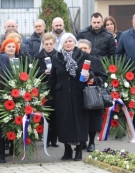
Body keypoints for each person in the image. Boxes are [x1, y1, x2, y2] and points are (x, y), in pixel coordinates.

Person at [47, 33, 89, 161]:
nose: (68, 43)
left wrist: (90, 76)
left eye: (71, 41)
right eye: (66, 41)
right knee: (64, 122)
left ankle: (79, 151)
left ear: (75, 42)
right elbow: (53, 78)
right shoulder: (56, 57)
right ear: (62, 44)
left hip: (79, 93)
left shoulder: (83, 56)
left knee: (79, 122)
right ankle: (67, 150)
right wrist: (45, 93)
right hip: (62, 95)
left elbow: (94, 71)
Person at [77, 39, 107, 152]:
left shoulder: (95, 61)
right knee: (81, 118)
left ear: (90, 49)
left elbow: (103, 77)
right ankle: (82, 141)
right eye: (81, 48)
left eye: (85, 48)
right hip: (78, 93)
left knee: (93, 119)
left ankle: (92, 142)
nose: (83, 50)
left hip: (93, 94)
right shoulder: (74, 61)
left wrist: (93, 77)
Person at [34, 32, 58, 147]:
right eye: (46, 44)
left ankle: (54, 139)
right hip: (43, 89)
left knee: (55, 115)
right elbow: (33, 73)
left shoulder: (58, 56)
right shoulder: (38, 57)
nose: (49, 46)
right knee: (45, 115)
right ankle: (46, 139)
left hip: (55, 89)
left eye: (51, 44)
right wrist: (43, 72)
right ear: (43, 44)